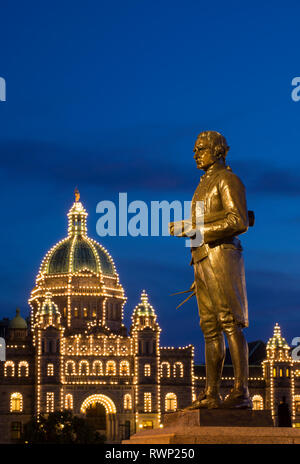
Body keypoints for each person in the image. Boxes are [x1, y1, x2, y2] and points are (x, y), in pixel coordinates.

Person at [170, 130, 252, 409]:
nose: (195, 153)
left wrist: (192, 229)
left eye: (201, 148)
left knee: (230, 322)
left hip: (223, 257)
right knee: (209, 328)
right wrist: (198, 268)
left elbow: (238, 220)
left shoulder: (227, 180)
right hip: (203, 261)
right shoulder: (203, 184)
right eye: (194, 149)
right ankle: (211, 393)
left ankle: (241, 390)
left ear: (218, 151)